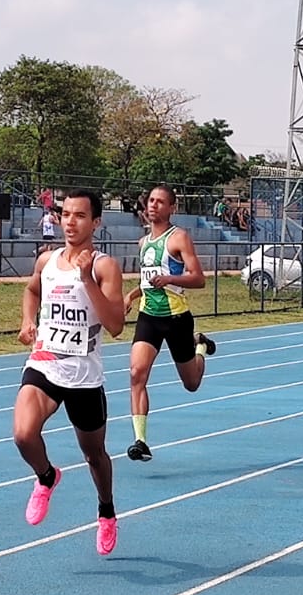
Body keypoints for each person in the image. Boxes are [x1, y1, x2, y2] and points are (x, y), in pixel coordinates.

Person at [13, 188, 126, 555]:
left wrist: (87, 279)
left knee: (94, 455)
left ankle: (106, 511)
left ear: (95, 222)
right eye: (66, 215)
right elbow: (32, 291)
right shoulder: (47, 261)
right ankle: (46, 476)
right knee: (23, 434)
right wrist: (28, 321)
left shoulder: (104, 266)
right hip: (45, 362)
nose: (71, 222)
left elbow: (115, 325)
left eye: (80, 216)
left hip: (84, 375)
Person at [123, 184, 216, 463]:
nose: (153, 205)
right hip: (149, 317)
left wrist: (171, 279)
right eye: (151, 200)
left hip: (176, 319)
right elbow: (150, 281)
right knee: (136, 373)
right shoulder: (143, 243)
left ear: (171, 208)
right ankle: (140, 441)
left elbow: (198, 278)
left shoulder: (179, 238)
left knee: (191, 383)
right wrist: (132, 294)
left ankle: (199, 346)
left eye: (161, 202)